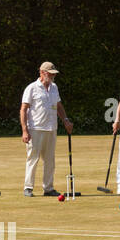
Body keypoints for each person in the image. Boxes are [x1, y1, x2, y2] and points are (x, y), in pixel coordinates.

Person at [20, 61, 73, 197]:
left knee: (50, 160)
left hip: (51, 128)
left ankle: (48, 188)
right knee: (33, 158)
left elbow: (59, 106)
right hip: (36, 129)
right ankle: (28, 188)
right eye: (50, 74)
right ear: (42, 73)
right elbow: (24, 109)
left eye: (54, 74)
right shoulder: (31, 88)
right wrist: (25, 130)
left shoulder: (54, 87)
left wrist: (65, 120)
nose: (53, 76)